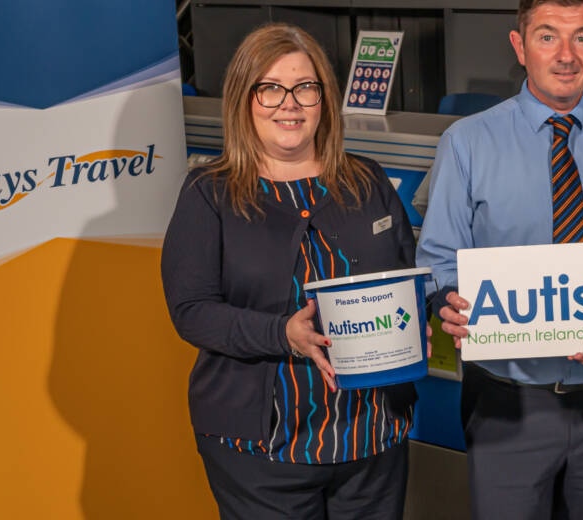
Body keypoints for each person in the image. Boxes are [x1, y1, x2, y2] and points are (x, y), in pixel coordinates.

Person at [414, 0, 583, 517]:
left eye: (581, 37)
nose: (565, 55)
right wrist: (447, 299)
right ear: (519, 46)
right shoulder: (467, 143)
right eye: (547, 36)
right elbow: (439, 261)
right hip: (509, 402)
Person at [161, 24, 419, 519]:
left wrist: (417, 325)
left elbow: (405, 279)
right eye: (270, 89)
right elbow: (191, 312)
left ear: (323, 98)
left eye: (305, 87)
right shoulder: (208, 194)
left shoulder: (367, 180)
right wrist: (282, 333)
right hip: (260, 452)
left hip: (371, 437)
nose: (290, 104)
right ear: (244, 99)